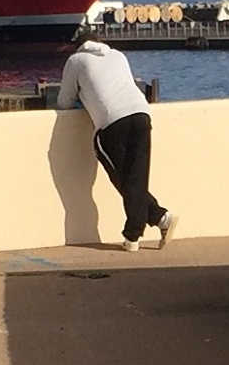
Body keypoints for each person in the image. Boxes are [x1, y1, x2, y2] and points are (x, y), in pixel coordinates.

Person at [60, 31, 168, 249]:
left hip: (111, 121)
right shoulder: (118, 56)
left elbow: (64, 101)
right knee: (136, 174)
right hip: (141, 113)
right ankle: (157, 218)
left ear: (78, 46)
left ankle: (135, 233)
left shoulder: (76, 60)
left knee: (122, 176)